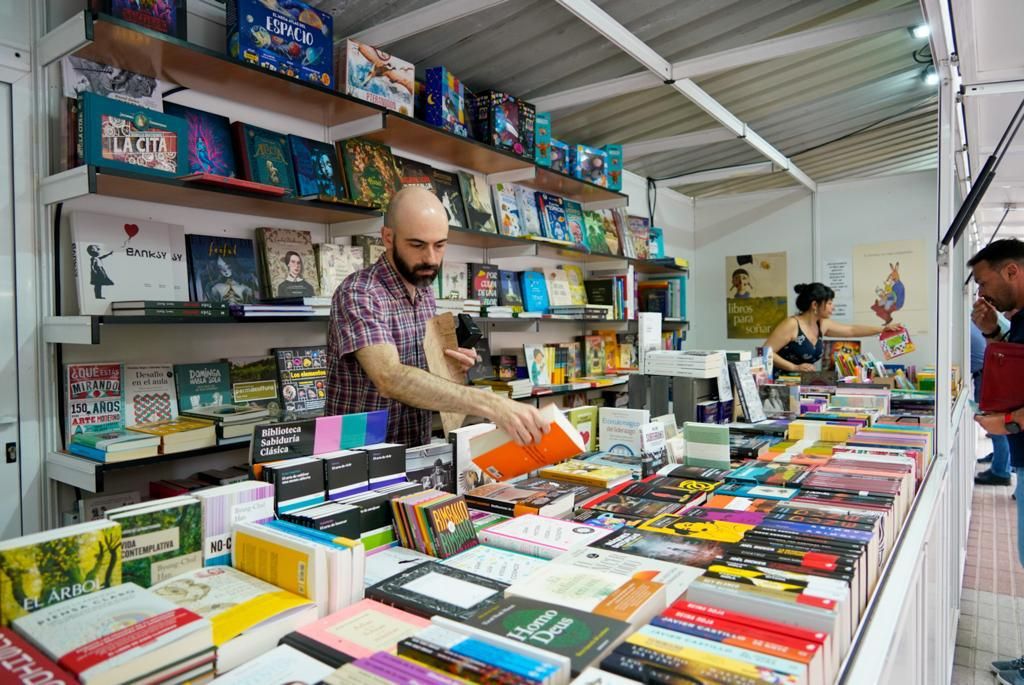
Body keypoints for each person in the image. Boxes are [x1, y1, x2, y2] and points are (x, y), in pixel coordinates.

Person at [326, 186, 548, 447]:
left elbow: (421, 376)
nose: (430, 259)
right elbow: (390, 377)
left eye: (439, 245)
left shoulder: (424, 291)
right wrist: (493, 404)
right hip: (360, 458)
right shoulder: (359, 292)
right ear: (388, 237)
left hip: (415, 449)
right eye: (417, 245)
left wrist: (451, 367)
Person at [967, 239, 1024, 684]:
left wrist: (1011, 424)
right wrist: (993, 331)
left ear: (1011, 272)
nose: (982, 294)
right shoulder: (1018, 318)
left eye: (985, 283)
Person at [764, 282, 902, 373]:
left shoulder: (822, 324)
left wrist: (882, 329)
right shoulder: (792, 324)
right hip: (778, 383)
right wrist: (794, 367)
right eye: (829, 303)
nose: (833, 307)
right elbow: (765, 352)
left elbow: (852, 330)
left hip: (800, 384)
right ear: (814, 305)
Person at [972, 321, 1012, 485]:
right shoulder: (972, 324)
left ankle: (1001, 471)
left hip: (986, 376)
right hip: (987, 373)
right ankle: (1000, 461)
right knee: (996, 423)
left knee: (994, 423)